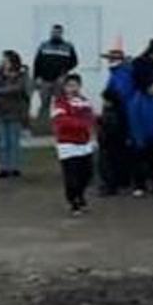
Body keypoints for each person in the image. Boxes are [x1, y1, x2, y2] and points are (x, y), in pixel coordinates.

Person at [52, 73, 96, 217]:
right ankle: (73, 202)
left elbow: (91, 117)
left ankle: (80, 195)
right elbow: (62, 121)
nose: (73, 88)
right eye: (70, 85)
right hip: (67, 144)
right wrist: (81, 123)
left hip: (84, 143)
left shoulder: (85, 101)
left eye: (75, 85)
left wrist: (88, 124)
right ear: (64, 87)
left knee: (87, 173)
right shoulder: (60, 102)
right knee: (72, 175)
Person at [127, 77, 153, 198]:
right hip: (141, 138)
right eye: (152, 86)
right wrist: (138, 138)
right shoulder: (136, 101)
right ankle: (139, 186)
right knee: (139, 163)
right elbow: (134, 122)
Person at [0, 51, 31, 178]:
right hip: (1, 112)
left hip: (15, 112)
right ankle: (4, 168)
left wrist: (0, 91)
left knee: (14, 142)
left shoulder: (21, 75)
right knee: (3, 143)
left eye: (5, 60)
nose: (2, 62)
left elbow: (18, 89)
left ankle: (14, 167)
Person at [32, 24, 79, 127]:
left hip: (60, 81)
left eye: (58, 32)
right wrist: (37, 78)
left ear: (61, 33)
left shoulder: (68, 46)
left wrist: (64, 73)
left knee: (61, 104)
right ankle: (42, 128)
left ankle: (62, 126)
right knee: (44, 104)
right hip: (45, 80)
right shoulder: (43, 45)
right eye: (53, 32)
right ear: (51, 33)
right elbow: (37, 63)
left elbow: (74, 62)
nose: (55, 34)